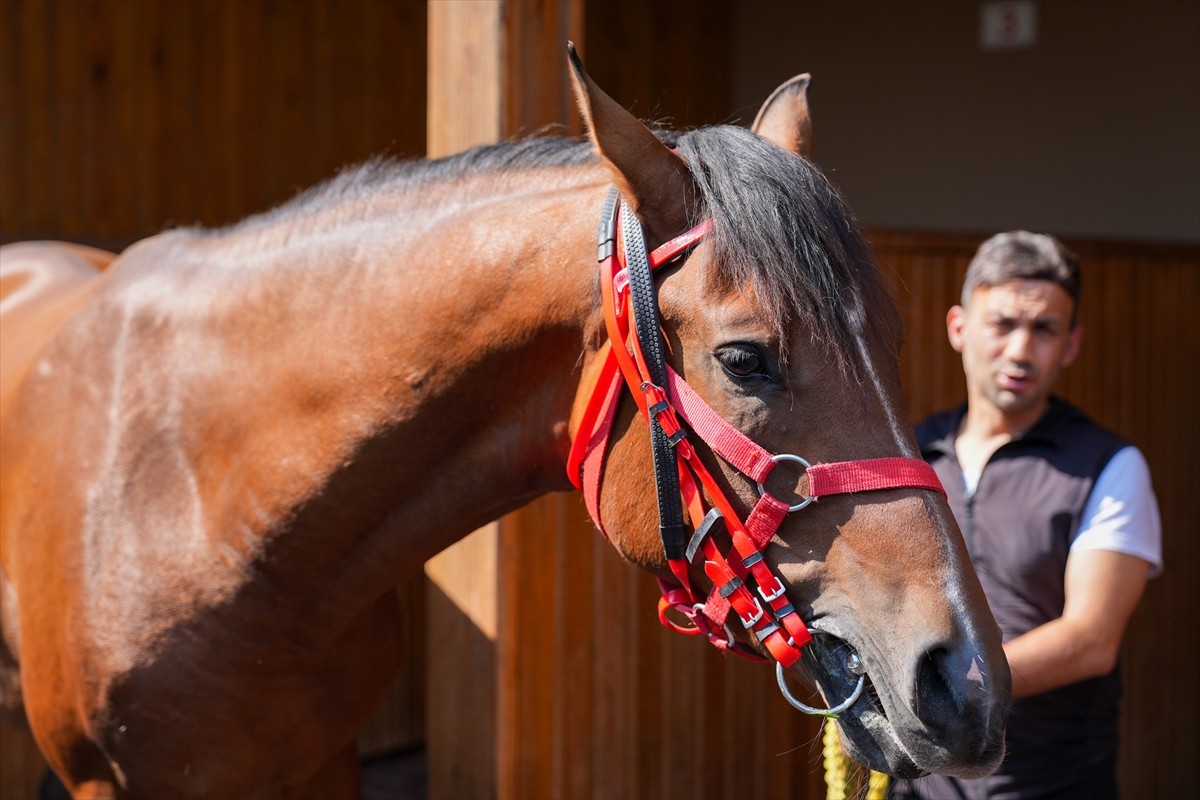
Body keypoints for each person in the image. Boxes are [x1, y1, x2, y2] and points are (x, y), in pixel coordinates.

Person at [890, 231, 1162, 800]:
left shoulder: (1108, 465)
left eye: (1044, 330)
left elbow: (1092, 639)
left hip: (1053, 785)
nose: (1020, 349)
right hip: (918, 786)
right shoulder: (908, 455)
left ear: (1071, 345)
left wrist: (948, 688)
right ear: (959, 328)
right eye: (1003, 324)